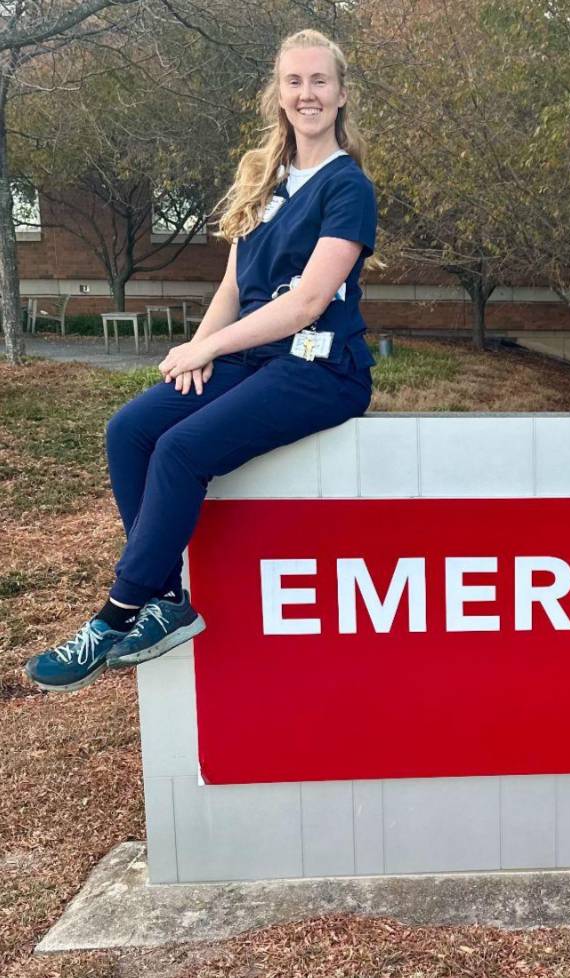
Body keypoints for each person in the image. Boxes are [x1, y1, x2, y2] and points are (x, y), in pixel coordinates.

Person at [24, 29, 379, 692]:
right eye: (294, 81)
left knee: (180, 449)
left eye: (319, 82)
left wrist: (211, 345)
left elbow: (305, 304)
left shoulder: (347, 189)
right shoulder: (265, 180)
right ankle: (164, 601)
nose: (306, 94)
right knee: (129, 429)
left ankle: (115, 615)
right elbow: (233, 288)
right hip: (253, 355)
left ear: (339, 95)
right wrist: (197, 349)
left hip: (321, 368)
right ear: (277, 93)